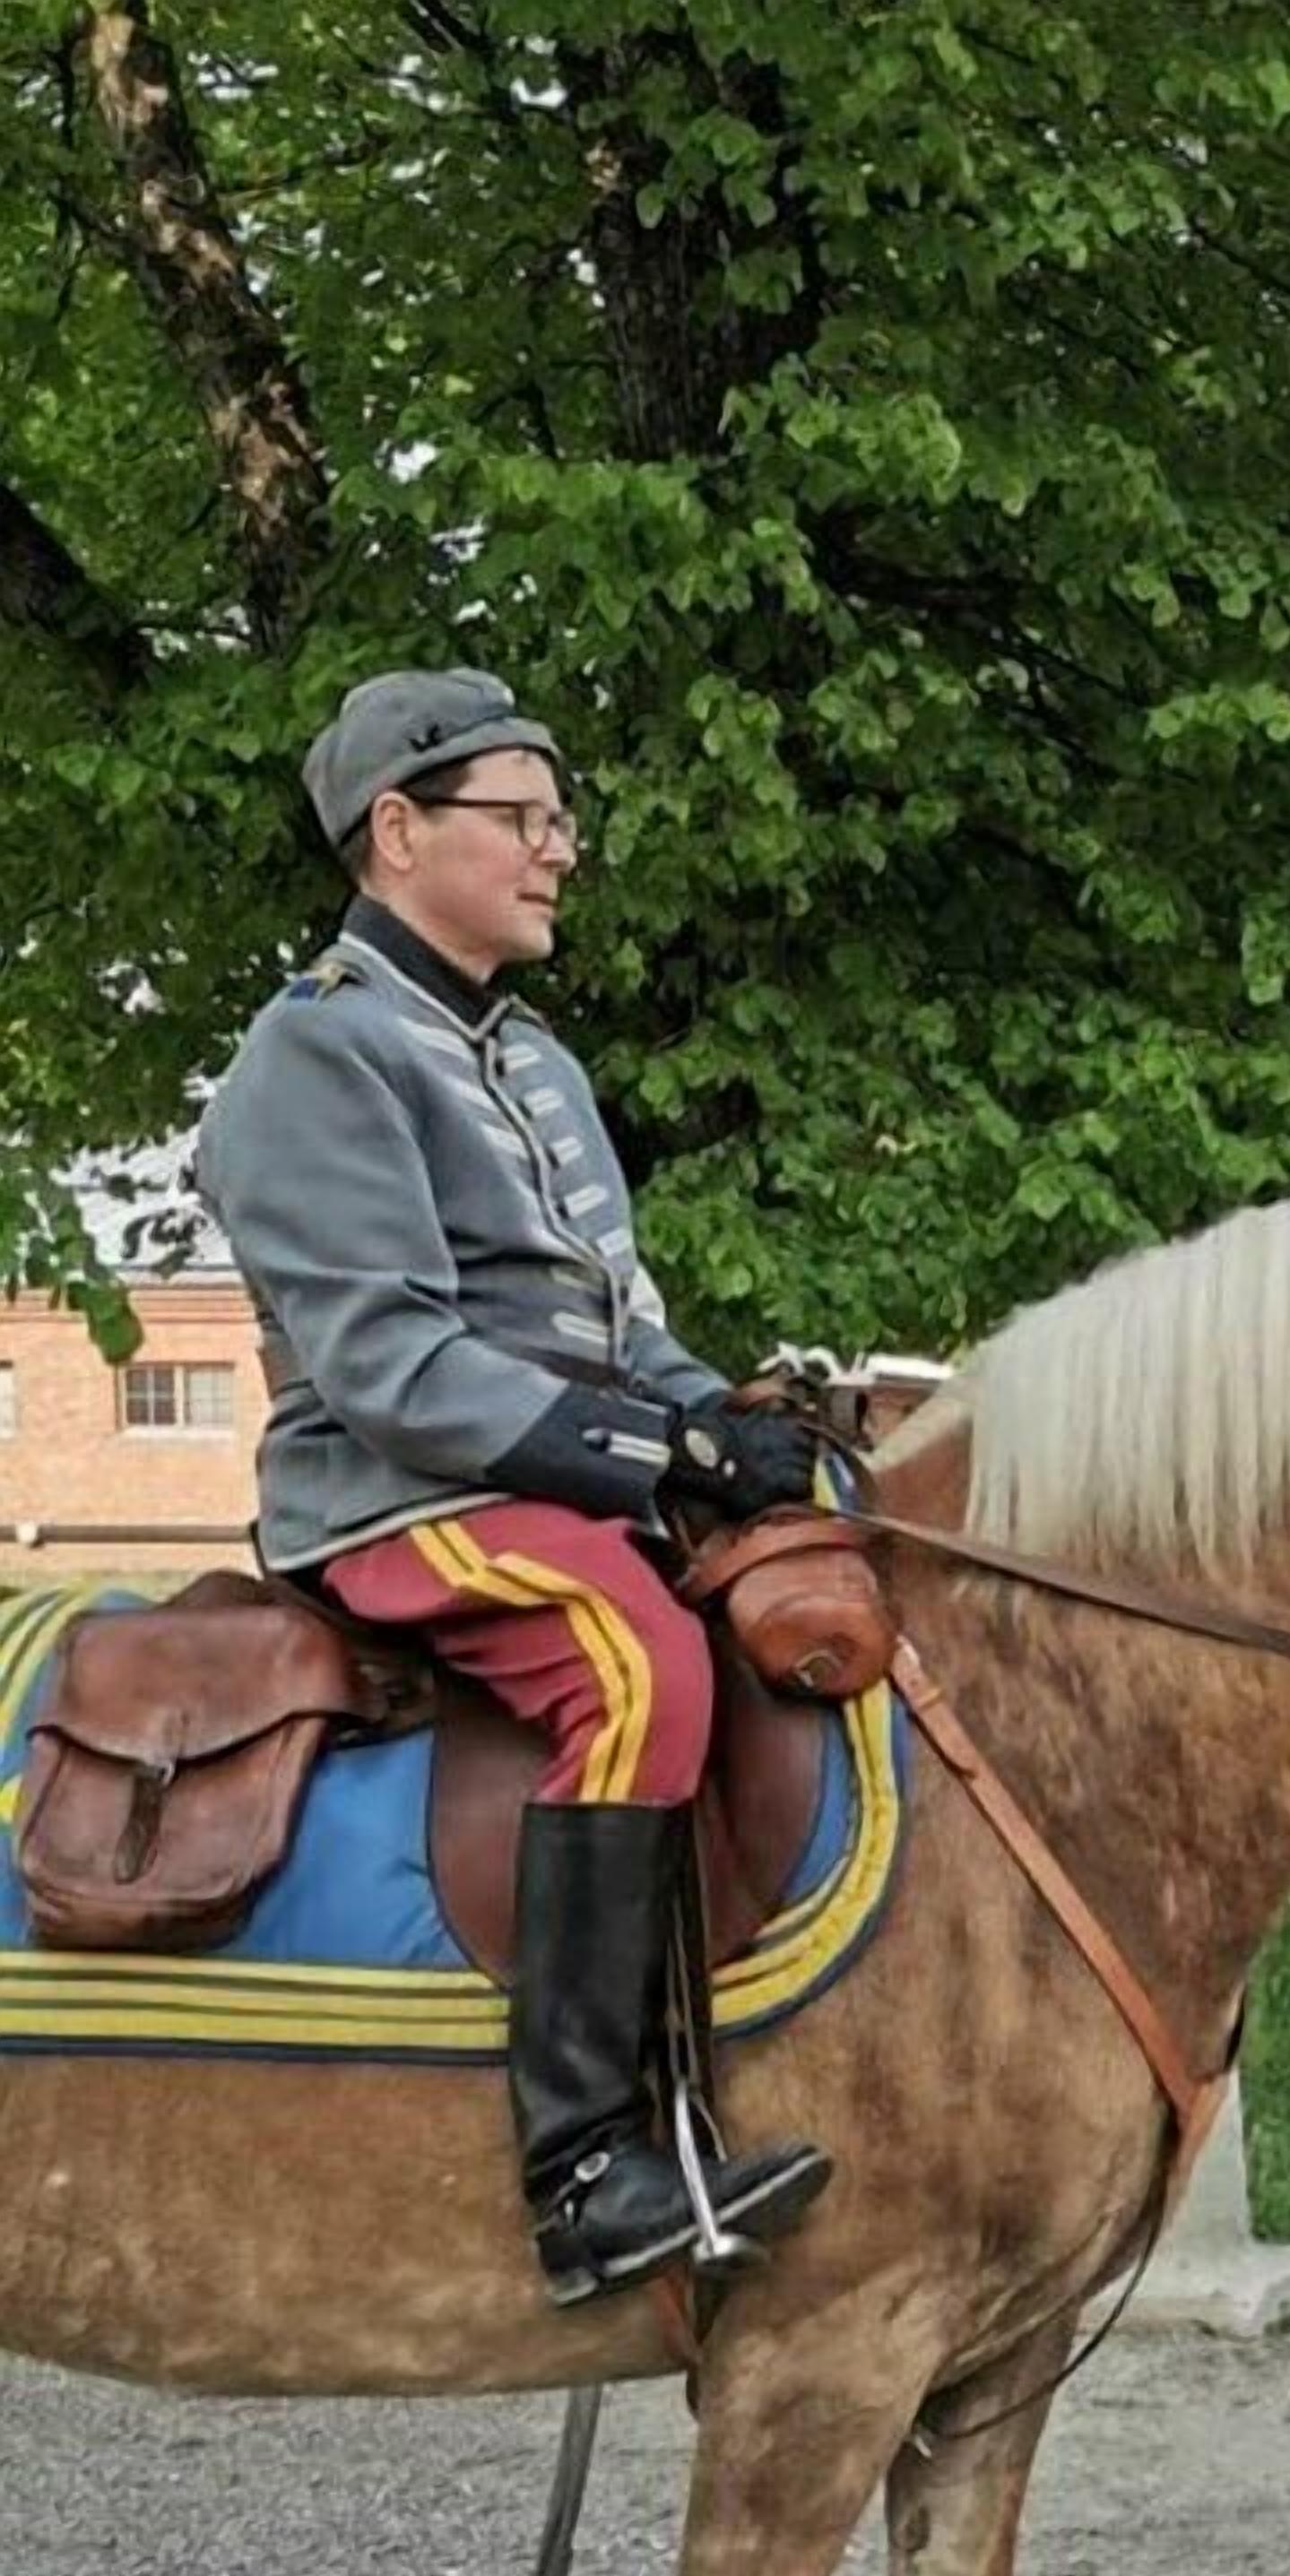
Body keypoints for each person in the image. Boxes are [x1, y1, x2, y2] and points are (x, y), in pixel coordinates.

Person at [195, 668, 833, 2304]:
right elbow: (392, 1368)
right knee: (635, 1659)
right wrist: (662, 1456)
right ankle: (585, 2170)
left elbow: (624, 1330)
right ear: (399, 833)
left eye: (563, 819)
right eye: (524, 818)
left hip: (551, 1476)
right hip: (392, 1494)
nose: (560, 849)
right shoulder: (317, 1053)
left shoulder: (530, 1056)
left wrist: (737, 1426)